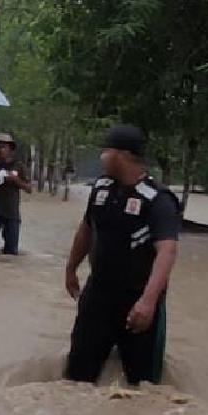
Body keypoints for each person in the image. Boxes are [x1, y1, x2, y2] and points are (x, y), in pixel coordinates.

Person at [64, 125, 181, 385]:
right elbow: (86, 228)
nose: (102, 156)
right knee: (76, 378)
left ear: (123, 155)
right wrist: (71, 268)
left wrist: (148, 302)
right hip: (98, 296)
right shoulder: (101, 189)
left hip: (138, 302)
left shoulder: (158, 200)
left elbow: (167, 251)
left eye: (106, 150)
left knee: (144, 388)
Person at [0, 133, 32, 255]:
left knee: (12, 252)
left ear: (10, 149)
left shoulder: (19, 166)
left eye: (4, 147)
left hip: (12, 212)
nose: (1, 150)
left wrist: (15, 180)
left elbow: (29, 188)